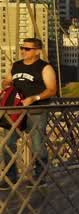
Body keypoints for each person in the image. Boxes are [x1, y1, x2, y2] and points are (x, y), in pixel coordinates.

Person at [2, 37, 58, 189]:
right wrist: (6, 84)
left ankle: (39, 176)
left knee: (37, 144)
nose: (23, 51)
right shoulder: (16, 65)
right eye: (22, 48)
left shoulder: (45, 67)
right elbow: (6, 81)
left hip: (36, 111)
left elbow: (52, 89)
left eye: (27, 49)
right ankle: (10, 177)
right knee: (7, 143)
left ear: (37, 51)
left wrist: (34, 98)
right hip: (15, 110)